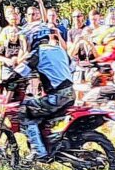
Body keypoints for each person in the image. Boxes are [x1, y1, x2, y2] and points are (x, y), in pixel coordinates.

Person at [15, 22, 74, 161]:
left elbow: (20, 71)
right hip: (70, 94)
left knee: (25, 110)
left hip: (57, 96)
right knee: (40, 111)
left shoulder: (38, 52)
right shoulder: (59, 49)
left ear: (32, 37)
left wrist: (5, 81)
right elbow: (70, 66)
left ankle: (38, 151)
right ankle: (50, 142)